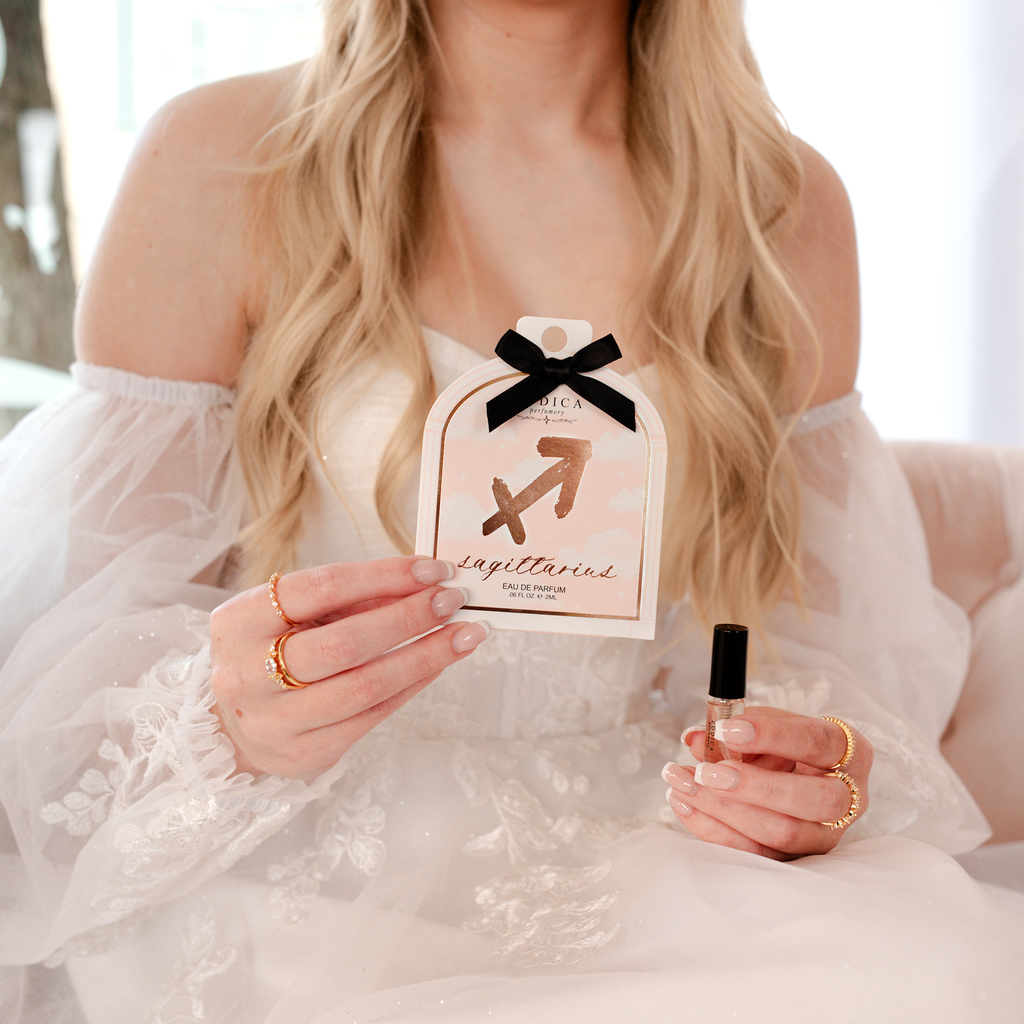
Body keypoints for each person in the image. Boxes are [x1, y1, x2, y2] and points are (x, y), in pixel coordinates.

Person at [0, 0, 1021, 1020]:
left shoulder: (784, 206)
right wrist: (224, 718)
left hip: (640, 857)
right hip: (299, 861)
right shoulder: (222, 159)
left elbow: (813, 656)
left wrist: (803, 779)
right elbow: (73, 651)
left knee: (946, 977)